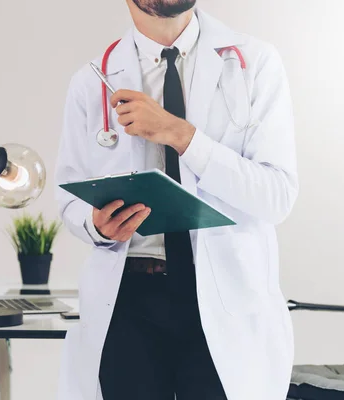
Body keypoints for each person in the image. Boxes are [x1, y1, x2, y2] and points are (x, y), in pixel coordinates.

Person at [54, 1, 298, 399]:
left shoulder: (254, 63)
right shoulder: (91, 81)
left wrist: (180, 135)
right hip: (130, 303)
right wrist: (97, 224)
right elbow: (69, 200)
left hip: (223, 296)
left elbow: (277, 197)